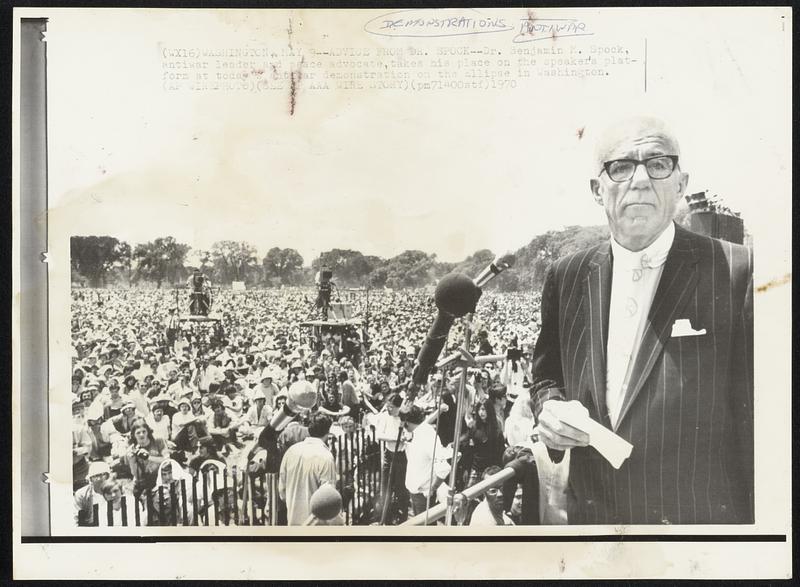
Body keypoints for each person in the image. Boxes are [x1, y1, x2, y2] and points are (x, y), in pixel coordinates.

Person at [530, 116, 753, 524]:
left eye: (658, 164)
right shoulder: (567, 276)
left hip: (695, 533)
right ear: (598, 189)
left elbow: (759, 423)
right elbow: (547, 378)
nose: (640, 180)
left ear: (681, 184)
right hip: (595, 530)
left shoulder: (736, 270)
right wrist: (551, 410)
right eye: (621, 167)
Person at [278, 412, 338, 525]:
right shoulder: (325, 456)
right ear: (328, 432)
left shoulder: (291, 451)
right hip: (317, 527)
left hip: (293, 522)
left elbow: (282, 491)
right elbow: (328, 499)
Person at [400, 405, 451, 520]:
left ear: (406, 422)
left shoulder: (427, 436)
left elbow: (444, 469)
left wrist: (432, 489)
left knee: (425, 529)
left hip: (423, 494)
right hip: (415, 491)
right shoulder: (419, 431)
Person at [374, 393, 409, 524]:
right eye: (387, 406)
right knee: (385, 488)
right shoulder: (384, 417)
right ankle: (385, 517)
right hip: (389, 454)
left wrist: (404, 438)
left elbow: (409, 434)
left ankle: (402, 515)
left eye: (392, 407)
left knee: (401, 488)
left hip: (401, 456)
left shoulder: (404, 418)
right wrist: (396, 439)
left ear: (399, 407)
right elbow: (379, 435)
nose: (389, 409)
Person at [73, 460, 111, 526]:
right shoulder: (81, 494)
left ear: (108, 476)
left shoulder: (116, 490)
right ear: (90, 479)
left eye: (103, 475)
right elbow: (75, 519)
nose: (99, 479)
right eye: (96, 476)